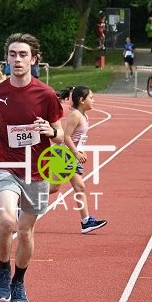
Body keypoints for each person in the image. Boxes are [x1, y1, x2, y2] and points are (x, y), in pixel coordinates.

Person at [0, 33, 64, 302]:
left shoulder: (47, 94)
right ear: (6, 58)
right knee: (7, 221)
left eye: (23, 54)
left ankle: (19, 281)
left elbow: (60, 134)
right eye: (13, 54)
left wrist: (50, 130)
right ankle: (3, 267)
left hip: (37, 171)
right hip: (7, 165)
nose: (17, 59)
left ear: (34, 59)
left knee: (26, 232)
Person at [50, 86, 107, 233]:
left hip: (70, 155)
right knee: (56, 188)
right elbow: (66, 137)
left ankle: (86, 221)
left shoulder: (84, 116)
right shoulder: (75, 115)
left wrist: (80, 151)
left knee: (66, 187)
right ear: (82, 100)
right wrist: (76, 153)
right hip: (63, 155)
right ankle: (21, 201)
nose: (93, 100)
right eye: (91, 98)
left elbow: (78, 139)